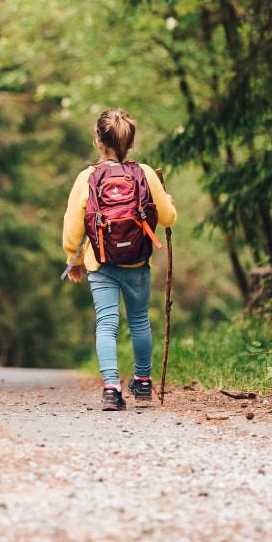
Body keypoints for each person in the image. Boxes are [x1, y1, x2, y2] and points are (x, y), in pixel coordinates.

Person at [62, 109, 176, 411]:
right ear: (132, 142)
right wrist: (169, 203)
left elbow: (73, 225)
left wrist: (72, 259)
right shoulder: (146, 174)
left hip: (101, 263)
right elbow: (166, 217)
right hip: (137, 263)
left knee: (106, 323)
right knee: (139, 322)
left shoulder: (87, 177)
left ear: (98, 142)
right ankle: (142, 384)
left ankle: (111, 389)